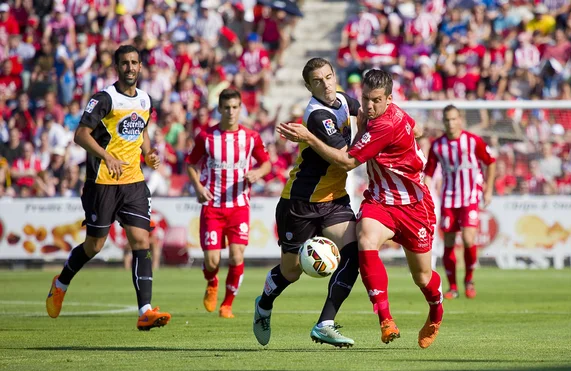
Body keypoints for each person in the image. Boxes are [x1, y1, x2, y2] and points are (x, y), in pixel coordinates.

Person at [278, 69, 443, 349]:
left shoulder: (384, 125)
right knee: (365, 239)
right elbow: (417, 128)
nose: (368, 106)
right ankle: (385, 319)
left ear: (389, 100)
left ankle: (436, 311)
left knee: (423, 277)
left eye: (376, 100)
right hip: (380, 200)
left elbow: (347, 162)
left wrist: (308, 136)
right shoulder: (378, 114)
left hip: (413, 206)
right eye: (365, 98)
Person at [45, 45, 171, 331]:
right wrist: (107, 156)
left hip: (134, 182)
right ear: (117, 67)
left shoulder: (145, 100)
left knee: (141, 240)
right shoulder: (105, 99)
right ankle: (61, 282)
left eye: (134, 63)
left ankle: (145, 311)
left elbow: (143, 131)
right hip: (102, 182)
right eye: (124, 63)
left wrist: (149, 154)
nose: (130, 67)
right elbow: (80, 135)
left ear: (141, 67)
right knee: (95, 245)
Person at [253, 57, 362, 348]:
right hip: (300, 202)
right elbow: (347, 161)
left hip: (335, 200)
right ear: (308, 86)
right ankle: (264, 304)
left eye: (328, 76)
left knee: (354, 252)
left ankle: (325, 324)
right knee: (291, 272)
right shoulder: (316, 116)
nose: (326, 84)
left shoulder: (342, 99)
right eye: (318, 80)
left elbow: (368, 113)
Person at [185, 88, 272, 319]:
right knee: (212, 260)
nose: (231, 112)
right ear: (219, 109)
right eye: (226, 108)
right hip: (212, 206)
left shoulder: (251, 137)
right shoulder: (206, 137)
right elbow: (191, 164)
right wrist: (198, 187)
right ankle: (212, 282)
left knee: (236, 256)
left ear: (240, 108)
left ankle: (227, 304)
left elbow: (266, 164)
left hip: (239, 206)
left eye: (235, 107)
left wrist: (257, 173)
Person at [423, 105, 496, 299]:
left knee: (468, 239)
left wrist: (488, 189)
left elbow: (490, 162)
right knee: (448, 242)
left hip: (470, 196)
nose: (450, 123)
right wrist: (426, 195)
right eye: (447, 120)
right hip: (448, 198)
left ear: (460, 120)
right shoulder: (438, 145)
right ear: (443, 121)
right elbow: (428, 173)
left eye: (454, 119)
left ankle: (469, 280)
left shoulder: (473, 141)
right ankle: (453, 287)